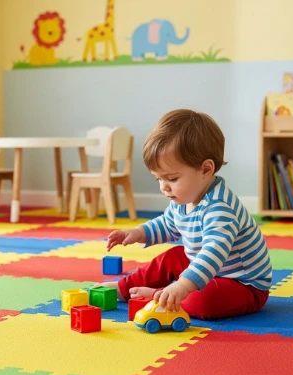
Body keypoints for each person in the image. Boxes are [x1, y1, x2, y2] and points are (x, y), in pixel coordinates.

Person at [96, 109, 272, 320]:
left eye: (172, 178)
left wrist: (181, 286)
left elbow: (212, 255)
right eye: (158, 179)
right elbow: (167, 224)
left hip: (243, 284)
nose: (164, 187)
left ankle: (162, 297)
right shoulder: (185, 199)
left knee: (205, 301)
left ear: (206, 169)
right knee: (172, 257)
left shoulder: (220, 208)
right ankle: (124, 288)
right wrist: (137, 232)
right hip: (205, 269)